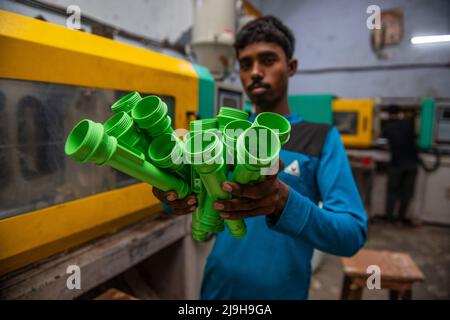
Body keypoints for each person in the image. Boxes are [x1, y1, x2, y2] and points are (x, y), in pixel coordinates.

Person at [152, 16, 367, 299]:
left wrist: (282, 202)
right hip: (217, 290)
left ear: (291, 67)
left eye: (267, 60)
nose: (255, 72)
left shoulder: (320, 139)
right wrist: (173, 193)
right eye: (245, 64)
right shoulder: (223, 133)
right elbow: (191, 199)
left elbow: (351, 234)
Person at [382, 105, 419, 225]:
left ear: (388, 114)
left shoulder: (387, 128)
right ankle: (401, 219)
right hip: (412, 164)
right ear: (400, 113)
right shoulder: (409, 123)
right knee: (406, 194)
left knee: (392, 192)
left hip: (396, 164)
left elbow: (383, 140)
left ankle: (389, 218)